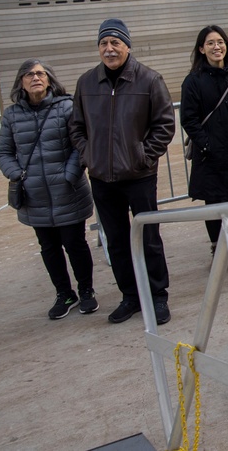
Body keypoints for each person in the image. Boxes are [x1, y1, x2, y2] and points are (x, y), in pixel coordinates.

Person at [69, 19, 175, 325]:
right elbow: (76, 127)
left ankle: (157, 297)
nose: (109, 48)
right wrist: (89, 155)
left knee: (149, 237)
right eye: (103, 43)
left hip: (139, 176)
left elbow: (165, 124)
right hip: (102, 177)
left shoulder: (149, 80)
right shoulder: (86, 82)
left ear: (127, 45)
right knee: (115, 240)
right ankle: (130, 296)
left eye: (115, 42)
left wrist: (143, 156)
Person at [0, 60, 97, 320]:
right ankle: (64, 294)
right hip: (34, 194)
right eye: (29, 74)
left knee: (75, 244)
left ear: (50, 79)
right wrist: (17, 174)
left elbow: (80, 143)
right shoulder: (11, 115)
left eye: (40, 73)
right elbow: (4, 152)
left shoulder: (66, 107)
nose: (35, 78)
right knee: (48, 247)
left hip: (68, 190)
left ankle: (87, 292)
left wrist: (70, 175)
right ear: (21, 82)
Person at [180, 25, 228, 257]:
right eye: (210, 43)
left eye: (220, 41)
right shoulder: (193, 81)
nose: (216, 47)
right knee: (213, 204)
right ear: (201, 49)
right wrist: (206, 145)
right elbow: (188, 119)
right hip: (208, 155)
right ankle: (218, 247)